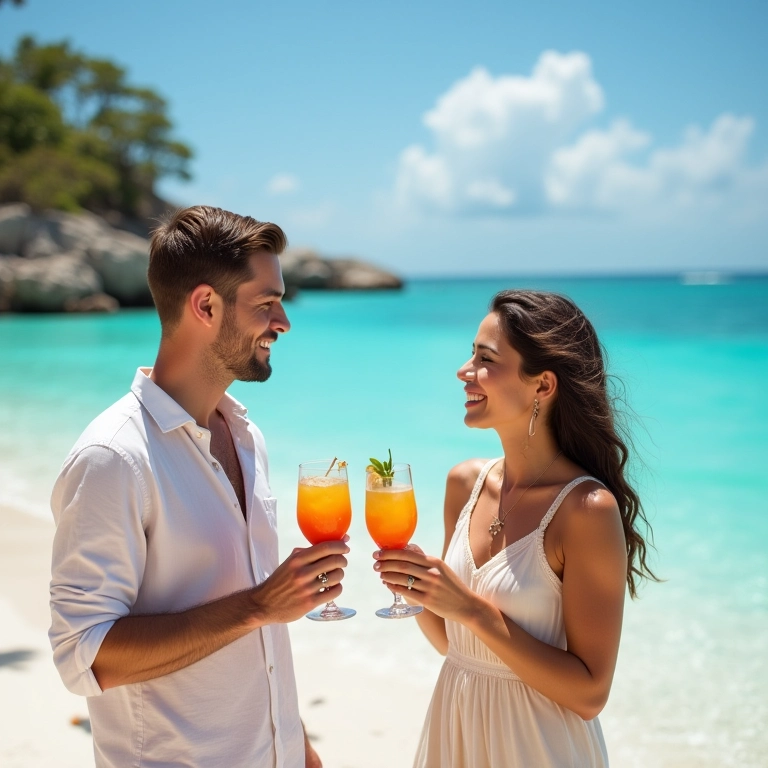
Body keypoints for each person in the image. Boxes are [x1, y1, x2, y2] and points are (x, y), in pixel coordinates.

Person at [49, 205, 349, 768]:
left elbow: (254, 642)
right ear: (206, 306)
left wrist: (296, 744)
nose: (283, 321)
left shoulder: (245, 434)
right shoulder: (112, 457)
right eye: (266, 303)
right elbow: (84, 657)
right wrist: (260, 605)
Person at [374, 289, 657, 767]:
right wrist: (418, 589)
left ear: (543, 386)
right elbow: (455, 643)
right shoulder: (464, 483)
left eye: (486, 359)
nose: (464, 370)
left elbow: (590, 693)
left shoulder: (586, 510)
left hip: (538, 748)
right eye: (471, 354)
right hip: (457, 732)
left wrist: (471, 608)